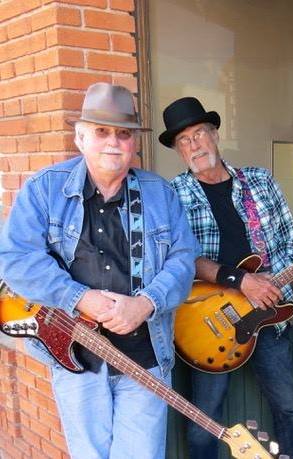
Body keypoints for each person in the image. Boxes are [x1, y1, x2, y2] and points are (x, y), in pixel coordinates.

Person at [0, 83, 198, 459]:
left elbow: (183, 259)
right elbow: (17, 258)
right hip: (75, 356)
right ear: (80, 137)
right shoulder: (45, 189)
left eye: (124, 134)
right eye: (101, 131)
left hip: (144, 355)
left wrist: (145, 304)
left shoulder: (160, 193)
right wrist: (81, 298)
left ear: (134, 144)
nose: (113, 142)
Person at [159, 96, 293, 459]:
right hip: (208, 324)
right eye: (184, 141)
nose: (194, 145)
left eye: (198, 134)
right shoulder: (172, 194)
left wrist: (272, 291)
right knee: (203, 424)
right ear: (179, 151)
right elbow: (176, 259)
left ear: (215, 135)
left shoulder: (259, 181)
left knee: (291, 412)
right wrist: (241, 282)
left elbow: (290, 244)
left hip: (266, 317)